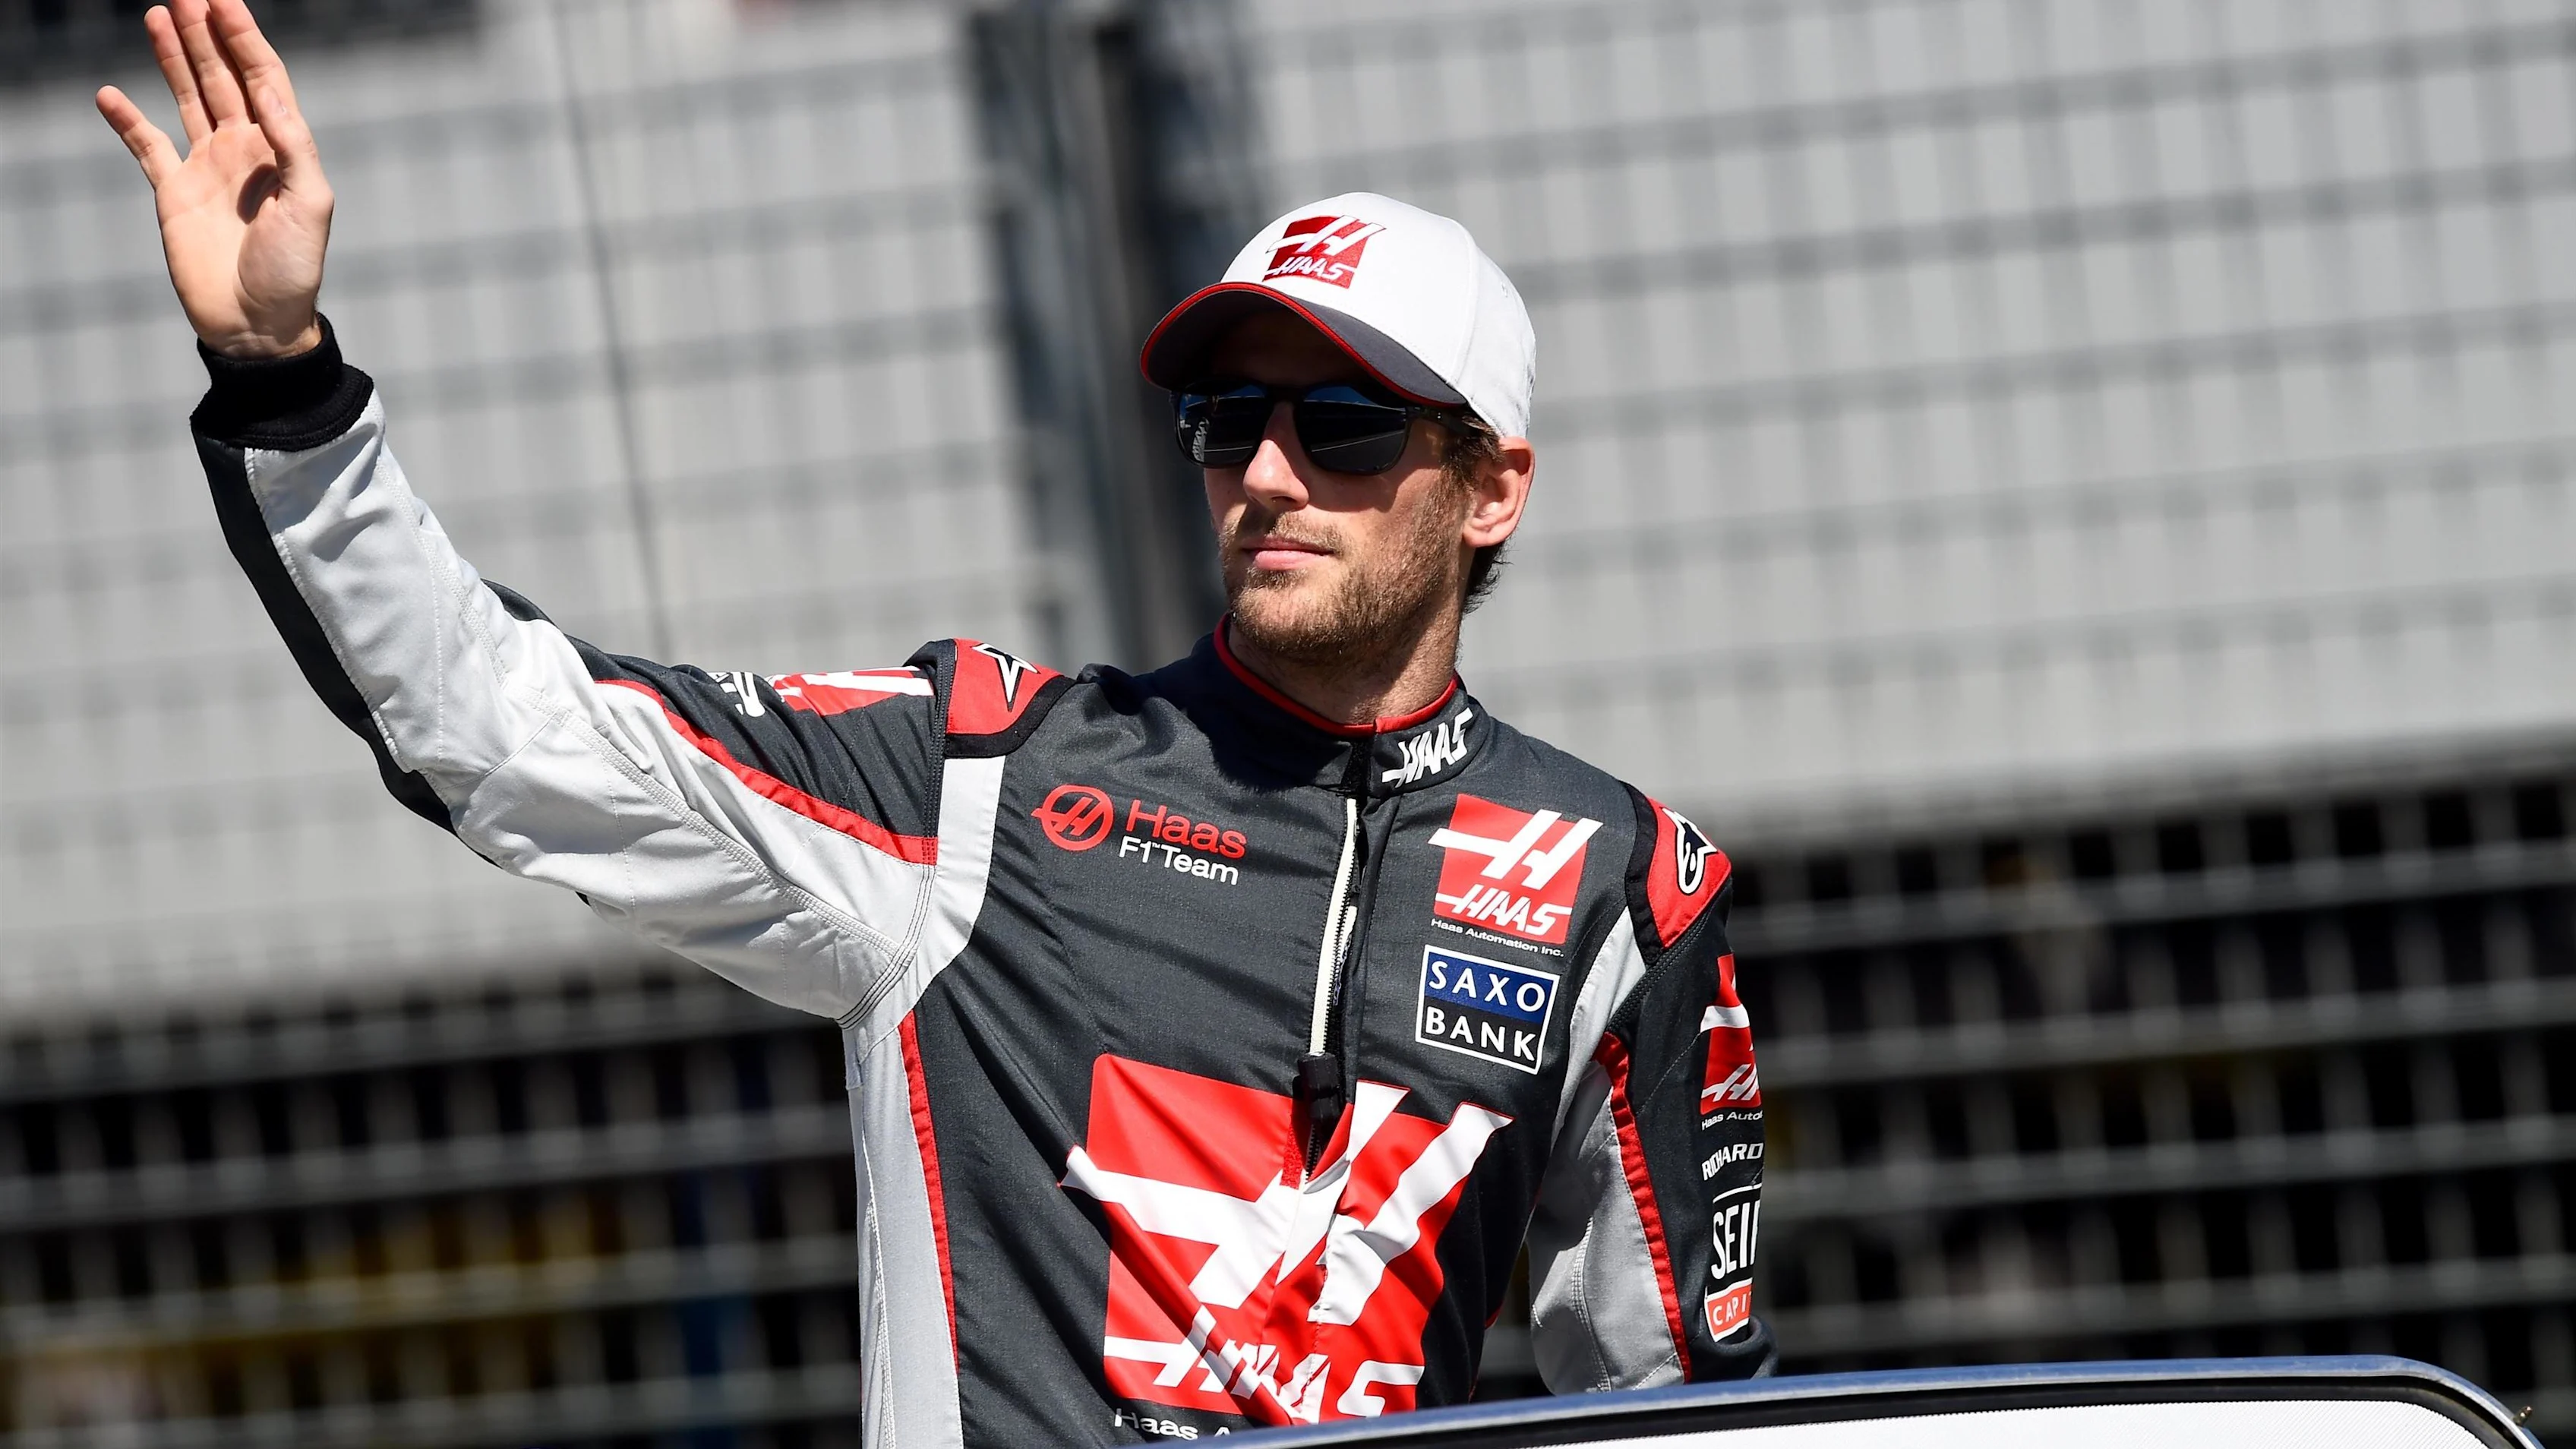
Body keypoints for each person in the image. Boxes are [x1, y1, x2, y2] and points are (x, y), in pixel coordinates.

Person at [99, 2, 1773, 1442]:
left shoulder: (1619, 883)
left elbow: (1677, 1410)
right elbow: (496, 722)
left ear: (1491, 488)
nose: (1266, 473)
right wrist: (282, 378)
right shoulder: (982, 777)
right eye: (1224, 420)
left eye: (1342, 425)